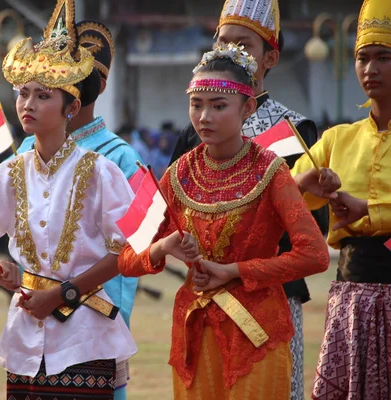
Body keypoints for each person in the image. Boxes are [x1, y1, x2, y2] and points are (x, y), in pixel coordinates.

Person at [118, 43, 332, 399]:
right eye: (196, 105)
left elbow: (315, 255)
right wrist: (163, 246)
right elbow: (126, 255)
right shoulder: (177, 174)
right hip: (195, 333)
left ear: (248, 107)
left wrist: (234, 271)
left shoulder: (272, 171)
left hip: (257, 333)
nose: (204, 118)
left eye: (219, 107)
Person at [0, 2, 137, 398]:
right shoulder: (7, 174)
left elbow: (127, 252)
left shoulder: (100, 171)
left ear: (71, 106)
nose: (28, 104)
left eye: (42, 95)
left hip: (86, 337)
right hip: (25, 341)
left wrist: (62, 294)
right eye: (23, 94)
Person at [167, 1, 327, 397]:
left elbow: (313, 234)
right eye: (221, 43)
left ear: (270, 56)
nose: (229, 53)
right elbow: (169, 216)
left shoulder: (294, 129)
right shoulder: (196, 132)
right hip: (204, 294)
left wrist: (296, 190)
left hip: (270, 292)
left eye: (244, 45)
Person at [292, 0, 391, 397]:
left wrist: (369, 209)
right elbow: (282, 193)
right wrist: (307, 181)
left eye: (384, 57)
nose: (371, 69)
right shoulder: (337, 139)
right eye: (362, 58)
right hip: (351, 299)